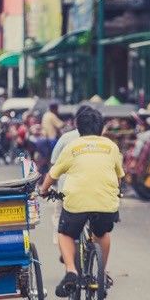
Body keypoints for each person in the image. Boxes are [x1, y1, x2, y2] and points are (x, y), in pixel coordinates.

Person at [39, 107, 123, 297]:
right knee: (102, 233)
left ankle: (71, 271)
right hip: (106, 203)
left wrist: (43, 191)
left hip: (76, 202)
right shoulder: (111, 146)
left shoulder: (72, 146)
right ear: (101, 128)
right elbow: (119, 177)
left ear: (78, 128)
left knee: (66, 234)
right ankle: (102, 273)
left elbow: (53, 174)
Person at [48, 105, 94, 246]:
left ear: (76, 121)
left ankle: (61, 245)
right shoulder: (101, 141)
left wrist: (47, 188)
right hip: (93, 188)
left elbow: (53, 164)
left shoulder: (66, 138)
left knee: (59, 215)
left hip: (66, 189)